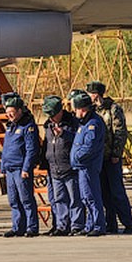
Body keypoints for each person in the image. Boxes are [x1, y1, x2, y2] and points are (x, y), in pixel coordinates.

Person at [90, 80, 132, 234]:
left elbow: (120, 132)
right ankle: (111, 224)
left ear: (96, 94)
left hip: (111, 158)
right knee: (104, 194)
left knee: (117, 192)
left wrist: (116, 153)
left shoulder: (113, 109)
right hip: (98, 158)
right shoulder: (92, 111)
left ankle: (128, 222)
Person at [42, 95, 84, 236]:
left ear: (60, 111)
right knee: (59, 199)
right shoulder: (48, 125)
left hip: (69, 168)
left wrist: (64, 134)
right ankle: (62, 225)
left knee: (74, 198)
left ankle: (76, 225)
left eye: (53, 115)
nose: (51, 118)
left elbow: (79, 141)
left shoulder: (73, 123)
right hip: (54, 168)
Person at [0, 92, 40, 237]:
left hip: (20, 169)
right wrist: (2, 167)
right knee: (13, 200)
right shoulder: (10, 127)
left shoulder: (27, 126)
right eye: (7, 113)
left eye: (12, 112)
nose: (9, 115)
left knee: (26, 199)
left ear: (19, 111)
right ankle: (18, 226)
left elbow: (31, 149)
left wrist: (26, 168)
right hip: (10, 168)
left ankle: (32, 227)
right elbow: (6, 149)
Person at [69, 88, 107, 236]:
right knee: (86, 197)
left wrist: (77, 157)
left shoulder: (93, 124)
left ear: (82, 110)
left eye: (76, 109)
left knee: (92, 196)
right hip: (82, 166)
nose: (75, 113)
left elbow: (89, 147)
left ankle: (98, 225)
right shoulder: (84, 123)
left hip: (88, 166)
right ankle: (90, 224)